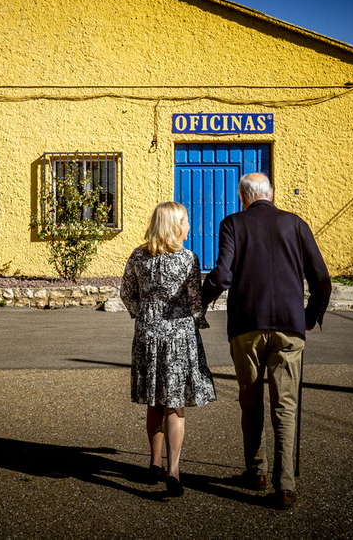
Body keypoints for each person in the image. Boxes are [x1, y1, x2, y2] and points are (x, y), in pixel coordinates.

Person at [202, 173, 331, 510]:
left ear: (243, 197)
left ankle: (256, 471)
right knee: (285, 406)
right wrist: (310, 315)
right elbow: (322, 277)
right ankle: (284, 485)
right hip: (289, 325)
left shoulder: (233, 223)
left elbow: (222, 276)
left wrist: (199, 302)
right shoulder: (295, 223)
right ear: (270, 195)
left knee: (250, 399)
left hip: (246, 325)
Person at [121, 201, 217, 498]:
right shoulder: (188, 258)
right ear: (175, 225)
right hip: (178, 335)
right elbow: (194, 301)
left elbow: (126, 294)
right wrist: (198, 322)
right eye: (185, 221)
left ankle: (153, 463)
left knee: (154, 398)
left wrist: (145, 314)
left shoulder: (138, 255)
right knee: (175, 402)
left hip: (148, 334)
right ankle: (173, 470)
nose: (188, 226)